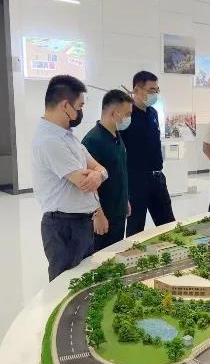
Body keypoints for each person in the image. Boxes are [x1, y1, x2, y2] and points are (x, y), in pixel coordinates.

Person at [31, 75, 109, 281]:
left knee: (82, 281)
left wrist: (98, 174)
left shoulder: (68, 136)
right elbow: (84, 182)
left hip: (80, 222)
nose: (81, 112)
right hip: (64, 226)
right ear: (65, 105)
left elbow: (100, 169)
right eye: (80, 106)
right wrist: (97, 175)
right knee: (65, 284)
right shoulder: (50, 140)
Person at [120, 71, 175, 236]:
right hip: (136, 180)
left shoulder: (153, 113)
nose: (155, 94)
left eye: (157, 90)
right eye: (151, 90)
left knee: (169, 225)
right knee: (136, 229)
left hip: (157, 177)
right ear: (136, 90)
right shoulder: (126, 115)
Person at [82, 89, 133, 251]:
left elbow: (119, 171)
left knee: (115, 254)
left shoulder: (117, 136)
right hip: (104, 215)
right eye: (127, 114)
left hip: (118, 211)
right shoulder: (93, 140)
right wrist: (98, 214)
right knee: (101, 258)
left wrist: (125, 200)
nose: (129, 118)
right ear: (113, 113)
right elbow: (87, 184)